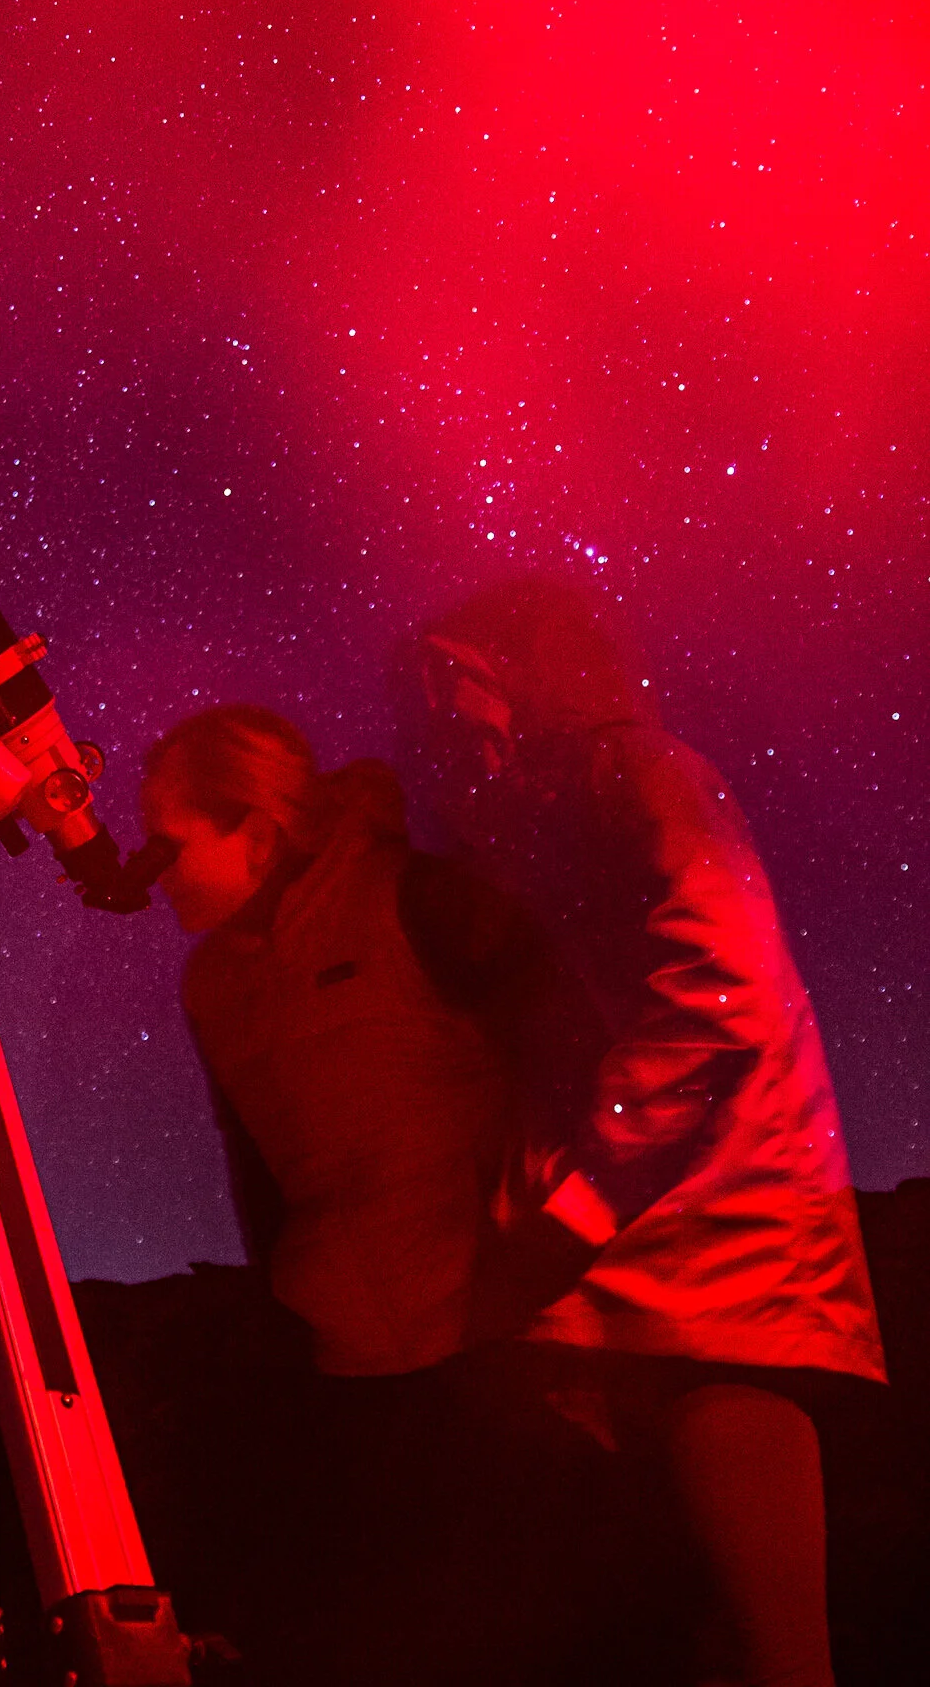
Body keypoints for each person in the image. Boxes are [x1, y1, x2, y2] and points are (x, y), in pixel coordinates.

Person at [416, 578, 886, 1687]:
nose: (440, 708)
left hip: (706, 1198)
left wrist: (588, 1182)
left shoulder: (640, 772)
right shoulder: (553, 795)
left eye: (459, 676)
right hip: (647, 1199)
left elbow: (717, 982)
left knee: (760, 1597)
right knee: (688, 1604)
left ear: (522, 669)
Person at [140, 703, 537, 1684]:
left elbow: (554, 1067)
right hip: (341, 1354)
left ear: (259, 831)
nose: (149, 870)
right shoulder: (213, 983)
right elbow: (256, 1160)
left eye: (171, 841)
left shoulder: (419, 899)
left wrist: (542, 1278)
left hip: (479, 1349)